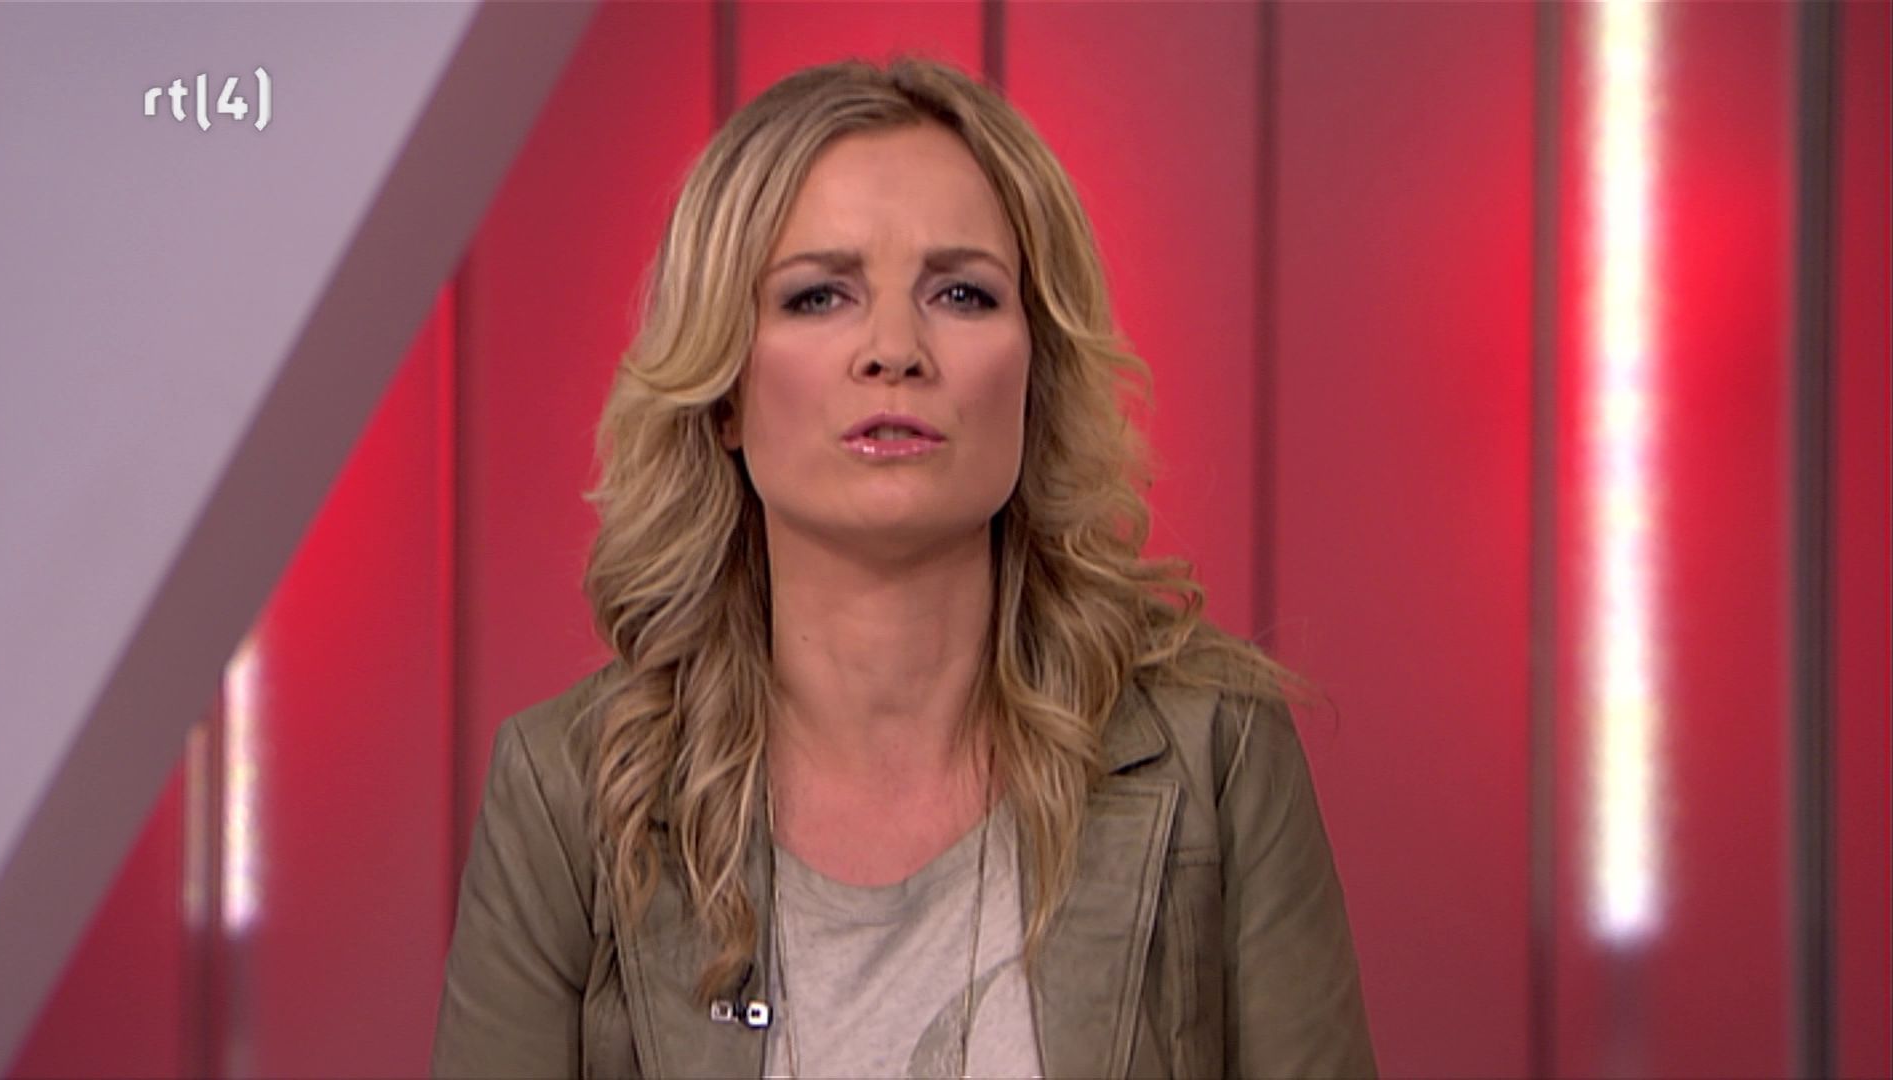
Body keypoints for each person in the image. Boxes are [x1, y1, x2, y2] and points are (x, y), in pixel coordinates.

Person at [432, 57, 1376, 1080]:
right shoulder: (567, 795)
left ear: (1035, 370)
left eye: (962, 293)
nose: (894, 350)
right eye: (818, 296)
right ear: (726, 390)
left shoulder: (1215, 754)